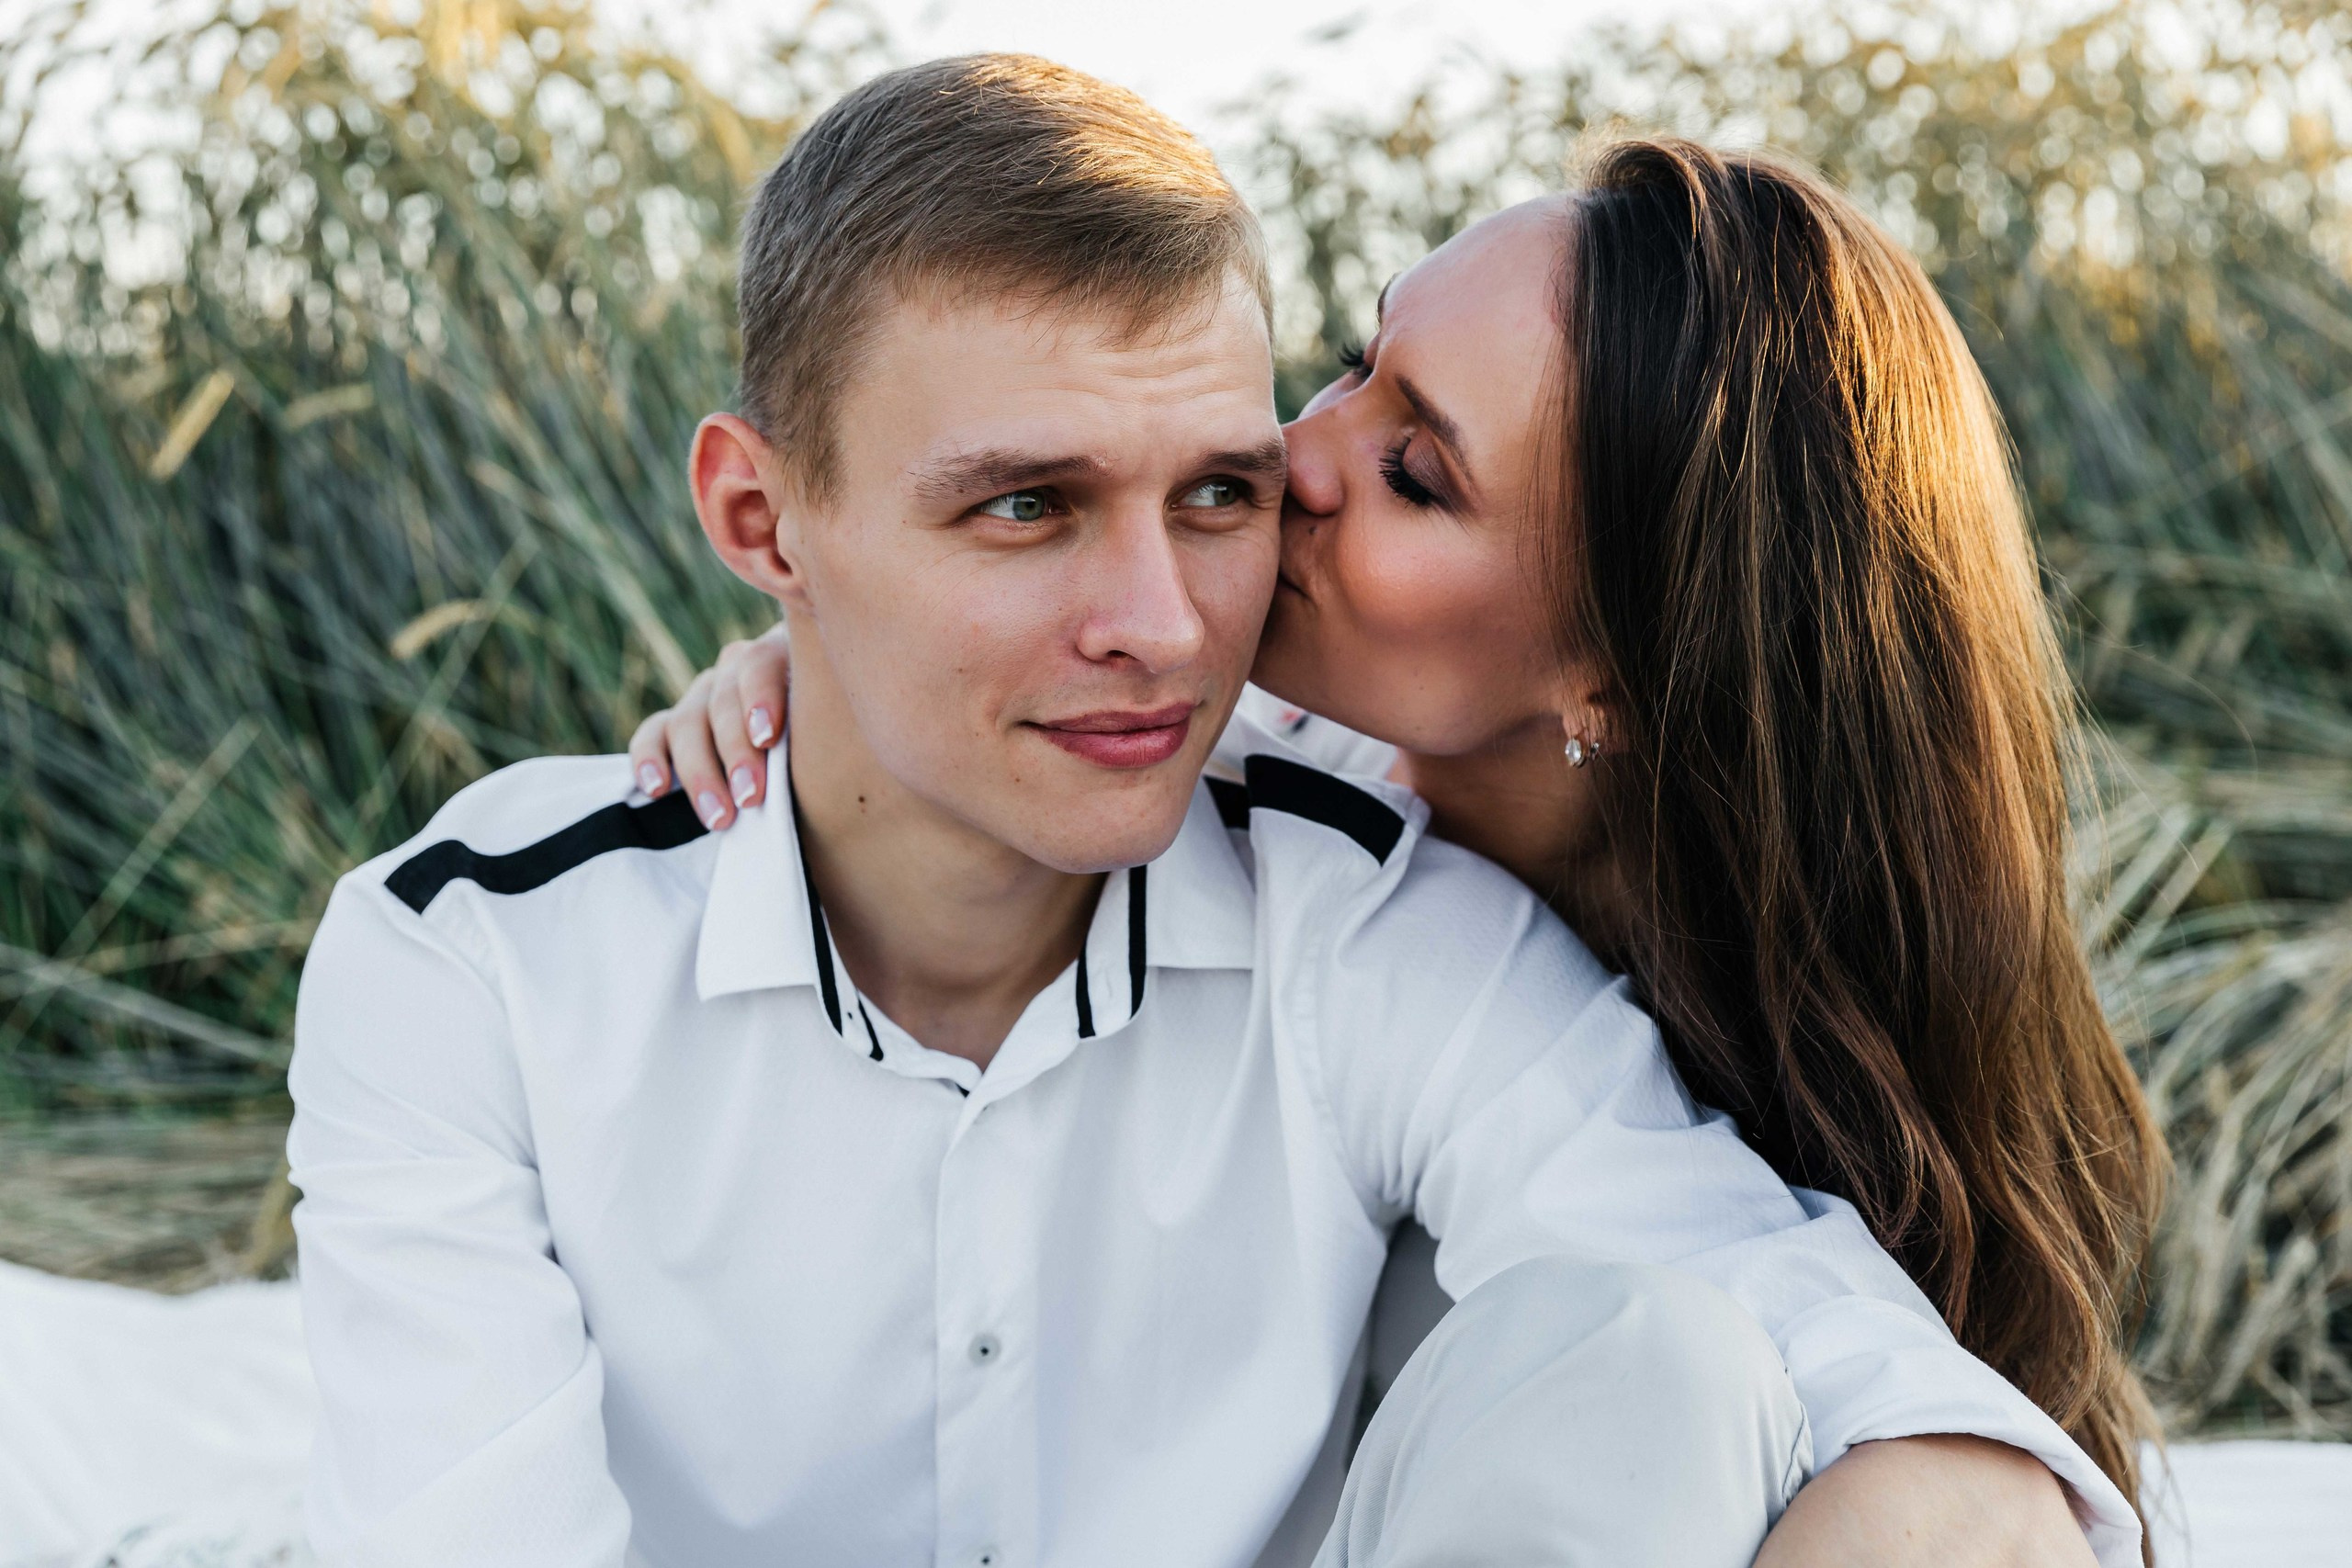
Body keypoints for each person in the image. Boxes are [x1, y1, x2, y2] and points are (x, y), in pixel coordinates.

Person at [291, 54, 2139, 1568]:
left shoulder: (1385, 916)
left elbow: (1827, 1352)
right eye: (1026, 506)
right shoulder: (477, 962)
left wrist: (1965, 1483)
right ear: (761, 521)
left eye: (1215, 492)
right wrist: (840, 650)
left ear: (1616, 678)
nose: (1172, 624)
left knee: (1652, 1360)